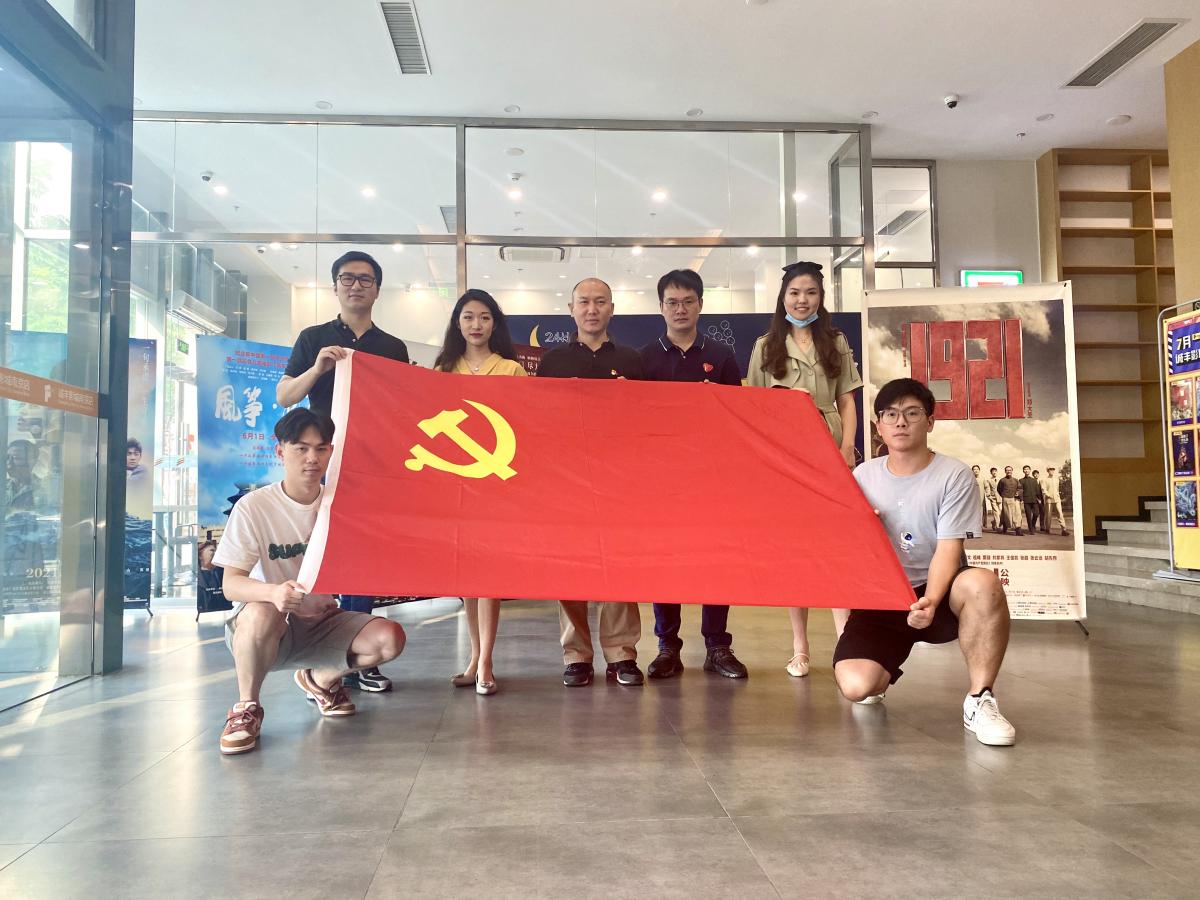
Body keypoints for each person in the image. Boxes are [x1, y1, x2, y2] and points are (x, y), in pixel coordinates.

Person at [832, 378, 1016, 746]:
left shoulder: (954, 475)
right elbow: (846, 556)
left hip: (941, 591)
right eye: (890, 414)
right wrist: (847, 636)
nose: (900, 422)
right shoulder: (862, 476)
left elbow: (948, 549)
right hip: (883, 597)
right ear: (879, 425)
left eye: (912, 413)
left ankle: (980, 699)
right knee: (856, 687)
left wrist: (930, 600)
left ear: (930, 422)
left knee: (982, 583)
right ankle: (880, 671)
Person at [214, 407, 407, 755]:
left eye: (320, 449)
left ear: (331, 451)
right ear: (280, 451)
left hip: (322, 621)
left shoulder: (341, 504)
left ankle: (318, 680)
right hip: (266, 629)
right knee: (261, 611)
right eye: (301, 448)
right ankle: (246, 709)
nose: (312, 458)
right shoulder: (254, 507)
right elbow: (231, 585)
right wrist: (274, 592)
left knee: (389, 639)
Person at [277, 250, 409, 692]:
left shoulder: (392, 347)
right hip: (322, 464)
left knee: (362, 556)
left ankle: (356, 656)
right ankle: (319, 651)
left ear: (377, 289)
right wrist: (318, 368)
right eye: (348, 278)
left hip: (371, 465)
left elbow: (401, 407)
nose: (356, 286)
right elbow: (284, 396)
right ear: (335, 286)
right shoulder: (314, 338)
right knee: (319, 553)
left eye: (365, 279)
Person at [747, 261, 863, 677]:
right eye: (795, 292)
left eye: (811, 292)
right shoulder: (766, 345)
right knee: (797, 550)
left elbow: (847, 398)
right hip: (787, 455)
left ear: (820, 297)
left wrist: (847, 447)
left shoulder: (836, 340)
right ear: (783, 297)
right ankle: (800, 647)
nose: (802, 300)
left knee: (835, 546)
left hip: (829, 447)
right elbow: (755, 408)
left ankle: (846, 644)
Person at [639, 269, 747, 680]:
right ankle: (667, 647)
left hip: (711, 478)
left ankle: (718, 646)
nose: (680, 309)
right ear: (661, 307)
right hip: (661, 481)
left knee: (715, 560)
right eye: (672, 302)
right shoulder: (644, 359)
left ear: (700, 305)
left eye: (688, 301)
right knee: (665, 561)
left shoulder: (721, 355)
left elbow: (736, 415)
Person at [536, 277, 645, 687]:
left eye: (600, 302)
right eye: (584, 302)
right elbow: (539, 422)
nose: (592, 309)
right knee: (570, 568)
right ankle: (576, 655)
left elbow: (648, 421)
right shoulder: (552, 363)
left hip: (620, 479)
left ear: (612, 309)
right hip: (566, 480)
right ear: (571, 309)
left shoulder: (633, 361)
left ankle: (622, 654)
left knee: (619, 566)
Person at [434, 289, 526, 696]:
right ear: (458, 322)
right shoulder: (442, 370)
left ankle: (486, 660)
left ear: (495, 324)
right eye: (469, 317)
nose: (476, 325)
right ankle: (474, 656)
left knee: (489, 574)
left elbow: (526, 424)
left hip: (496, 483)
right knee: (467, 578)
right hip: (455, 483)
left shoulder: (511, 370)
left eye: (485, 317)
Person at [1040, 466, 1069, 536]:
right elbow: (1043, 490)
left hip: (1057, 499)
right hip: (1049, 500)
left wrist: (1058, 495)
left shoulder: (1056, 479)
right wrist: (1049, 495)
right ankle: (1047, 529)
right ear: (1048, 471)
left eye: (1053, 469)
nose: (1052, 471)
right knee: (1048, 515)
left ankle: (1064, 529)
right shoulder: (1044, 479)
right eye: (1050, 469)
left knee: (1060, 514)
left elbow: (1057, 489)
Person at [996, 466, 1022, 536]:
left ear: (1012, 471)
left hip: (1014, 499)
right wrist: (1003, 495)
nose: (1008, 471)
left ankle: (1018, 529)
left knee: (1017, 514)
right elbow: (999, 489)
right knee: (1007, 514)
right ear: (1005, 471)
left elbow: (1020, 488)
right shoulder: (1002, 480)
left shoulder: (1016, 480)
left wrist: (1018, 492)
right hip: (1006, 498)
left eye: (1010, 470)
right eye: (1007, 470)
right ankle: (1005, 527)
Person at [1019, 465, 1042, 536]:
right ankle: (1031, 529)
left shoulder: (1034, 480)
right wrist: (1021, 499)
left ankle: (1033, 524)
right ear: (1023, 471)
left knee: (1036, 513)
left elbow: (1037, 490)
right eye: (1025, 469)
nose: (1026, 470)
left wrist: (1039, 499)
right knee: (1028, 516)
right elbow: (1020, 491)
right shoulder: (1021, 480)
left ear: (1030, 470)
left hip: (1034, 500)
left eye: (1027, 469)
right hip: (1026, 501)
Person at [983, 467, 1002, 533]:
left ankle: (993, 522)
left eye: (995, 471)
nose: (994, 472)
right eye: (993, 471)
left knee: (1000, 513)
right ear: (991, 473)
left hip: (1000, 497)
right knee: (996, 512)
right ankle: (998, 527)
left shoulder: (1000, 480)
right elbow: (987, 488)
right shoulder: (988, 480)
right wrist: (989, 496)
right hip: (993, 498)